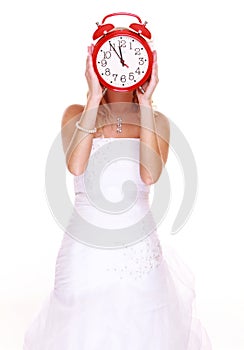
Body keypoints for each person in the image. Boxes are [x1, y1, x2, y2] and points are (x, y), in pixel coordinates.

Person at [23, 43, 212, 349]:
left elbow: (149, 174)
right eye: (110, 58)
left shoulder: (157, 120)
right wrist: (94, 97)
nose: (120, 70)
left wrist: (146, 106)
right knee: (80, 324)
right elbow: (76, 165)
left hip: (138, 247)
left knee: (141, 325)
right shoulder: (76, 113)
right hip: (84, 245)